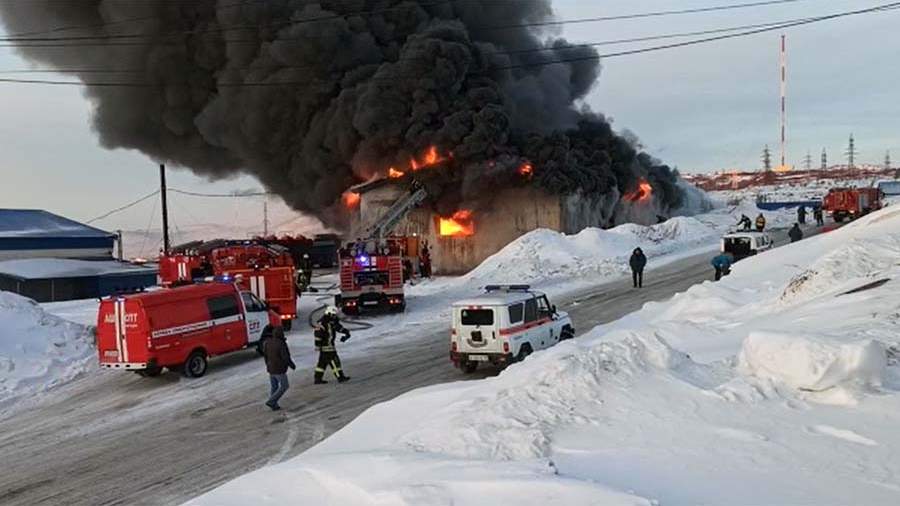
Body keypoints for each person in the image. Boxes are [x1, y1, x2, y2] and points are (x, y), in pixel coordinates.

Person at [313, 306, 351, 384]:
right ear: (329, 313)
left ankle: (318, 378)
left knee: (322, 363)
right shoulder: (322, 323)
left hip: (328, 345)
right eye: (334, 314)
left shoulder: (330, 321)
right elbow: (318, 335)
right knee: (335, 361)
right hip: (327, 346)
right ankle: (340, 377)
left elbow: (337, 327)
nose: (335, 316)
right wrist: (318, 345)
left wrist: (346, 332)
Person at [262, 326, 295, 411]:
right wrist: (291, 365)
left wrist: (268, 365)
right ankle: (271, 401)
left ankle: (274, 404)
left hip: (271, 368)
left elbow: (265, 356)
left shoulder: (267, 342)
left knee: (274, 386)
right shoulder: (281, 343)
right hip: (279, 369)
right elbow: (285, 357)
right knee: (284, 386)